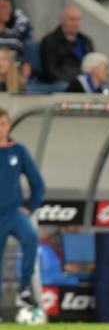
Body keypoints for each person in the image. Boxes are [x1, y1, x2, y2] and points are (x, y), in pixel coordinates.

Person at [0, 108, 45, 313]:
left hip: (13, 213)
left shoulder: (18, 151)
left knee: (31, 238)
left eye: (3, 123)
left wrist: (29, 207)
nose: (1, 128)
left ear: (9, 125)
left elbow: (38, 184)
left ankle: (24, 289)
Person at [40, 5, 94, 84]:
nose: (75, 23)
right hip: (65, 84)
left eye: (78, 20)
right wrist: (75, 83)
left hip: (85, 83)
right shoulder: (50, 41)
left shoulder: (86, 41)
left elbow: (93, 65)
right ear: (61, 20)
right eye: (71, 19)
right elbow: (51, 71)